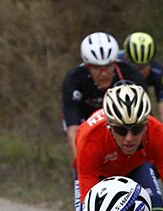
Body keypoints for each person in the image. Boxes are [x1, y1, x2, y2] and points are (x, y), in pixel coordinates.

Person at [74, 81, 163, 211]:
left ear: (146, 125)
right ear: (109, 125)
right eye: (121, 130)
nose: (129, 138)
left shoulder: (157, 132)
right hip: (99, 175)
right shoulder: (90, 138)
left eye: (136, 129)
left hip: (135, 168)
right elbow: (89, 208)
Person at [61, 32, 146, 160]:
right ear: (87, 66)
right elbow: (73, 130)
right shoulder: (74, 80)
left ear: (115, 63)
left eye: (108, 66)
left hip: (123, 127)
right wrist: (79, 165)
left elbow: (146, 121)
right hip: (87, 126)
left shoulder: (130, 75)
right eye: (96, 67)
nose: (104, 73)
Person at [122, 32, 163, 158]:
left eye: (143, 66)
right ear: (127, 60)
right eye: (135, 66)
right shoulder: (117, 66)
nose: (139, 71)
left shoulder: (158, 72)